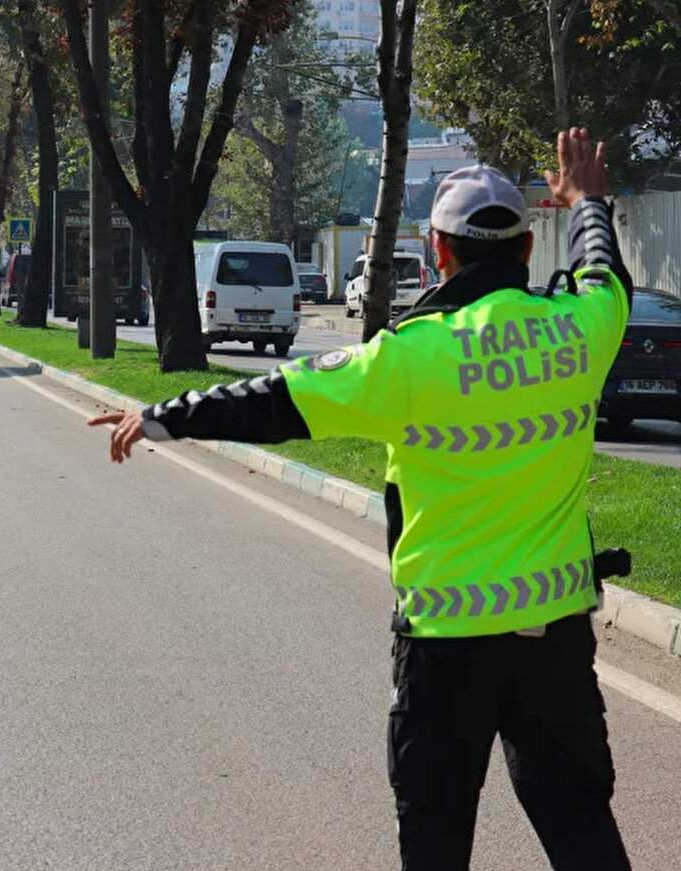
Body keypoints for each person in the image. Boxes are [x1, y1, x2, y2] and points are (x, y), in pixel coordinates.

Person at [89, 128, 634, 870]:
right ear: (526, 251)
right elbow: (605, 273)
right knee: (583, 838)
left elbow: (272, 400)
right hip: (555, 646)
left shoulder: (408, 357)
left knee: (435, 844)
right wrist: (586, 201)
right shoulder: (580, 332)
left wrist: (158, 416)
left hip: (446, 649)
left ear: (440, 252)